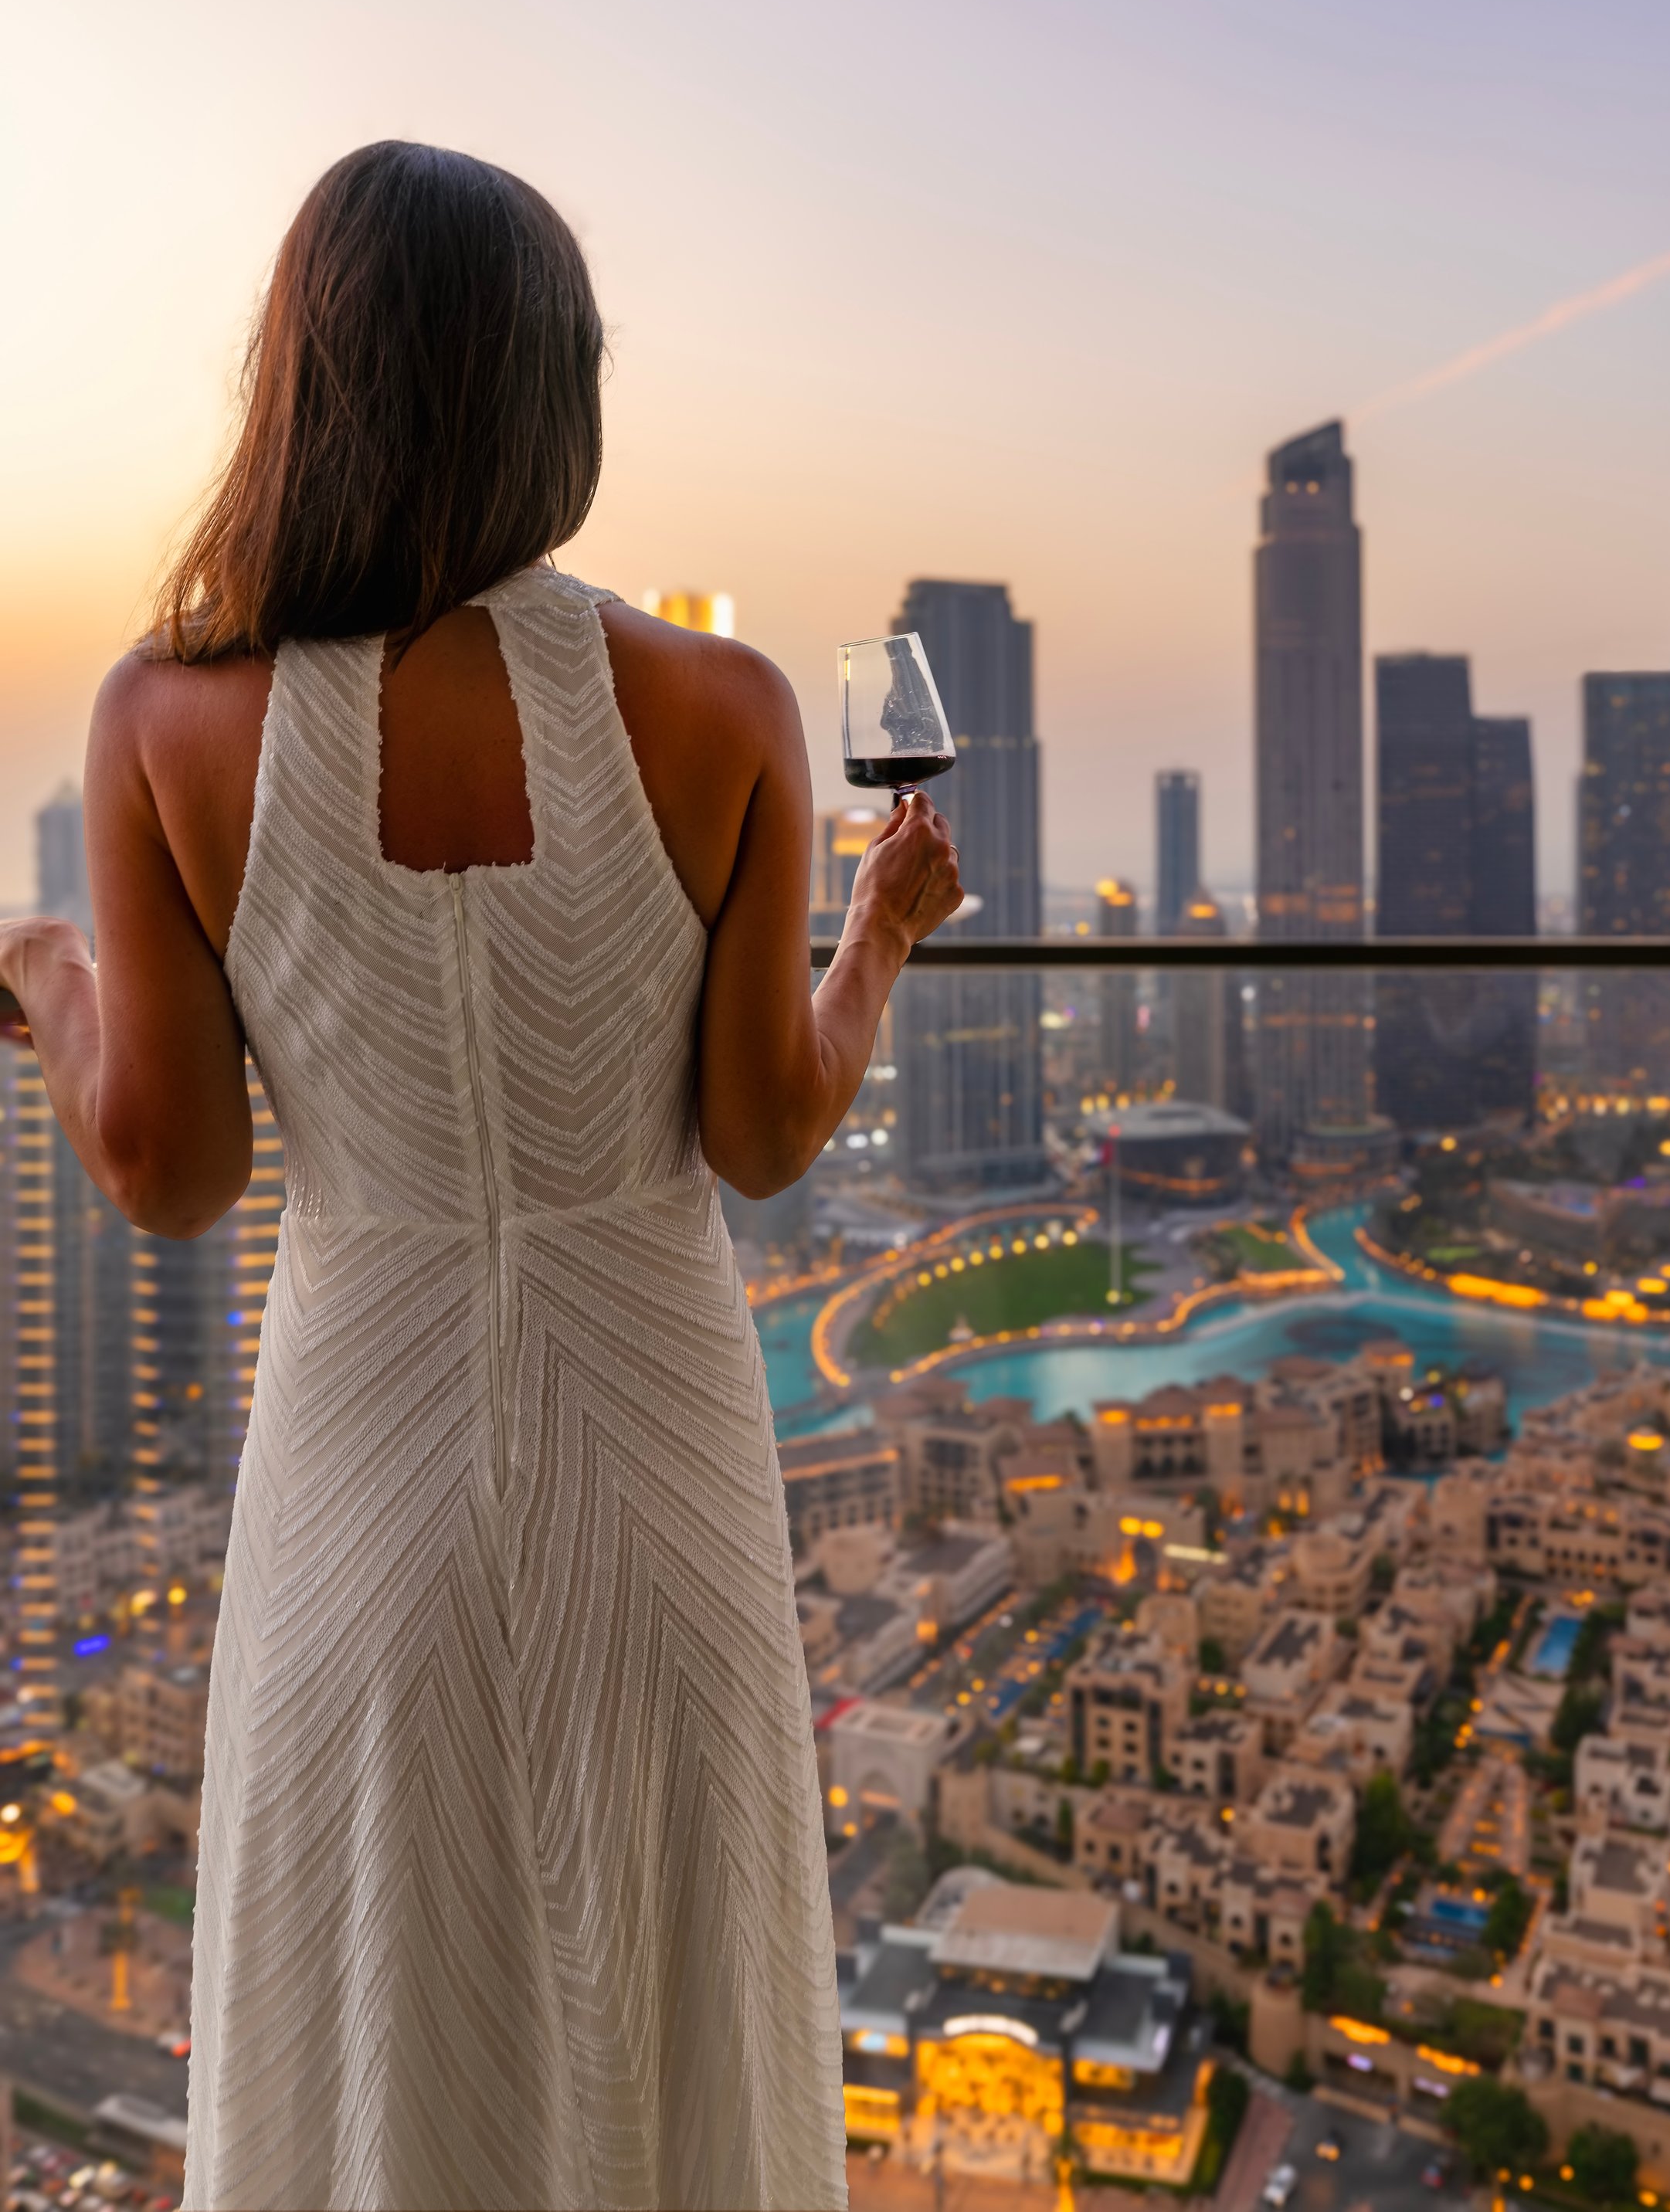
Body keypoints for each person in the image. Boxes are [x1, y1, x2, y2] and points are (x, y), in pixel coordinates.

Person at [0, 140, 963, 2212]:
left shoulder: (168, 719)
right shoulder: (723, 708)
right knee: (674, 2004)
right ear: (558, 392)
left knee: (374, 2016)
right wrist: (872, 941)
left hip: (365, 1463)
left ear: (299, 382)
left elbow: (171, 1175)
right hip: (659, 1459)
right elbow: (765, 1139)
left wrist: (47, 966)